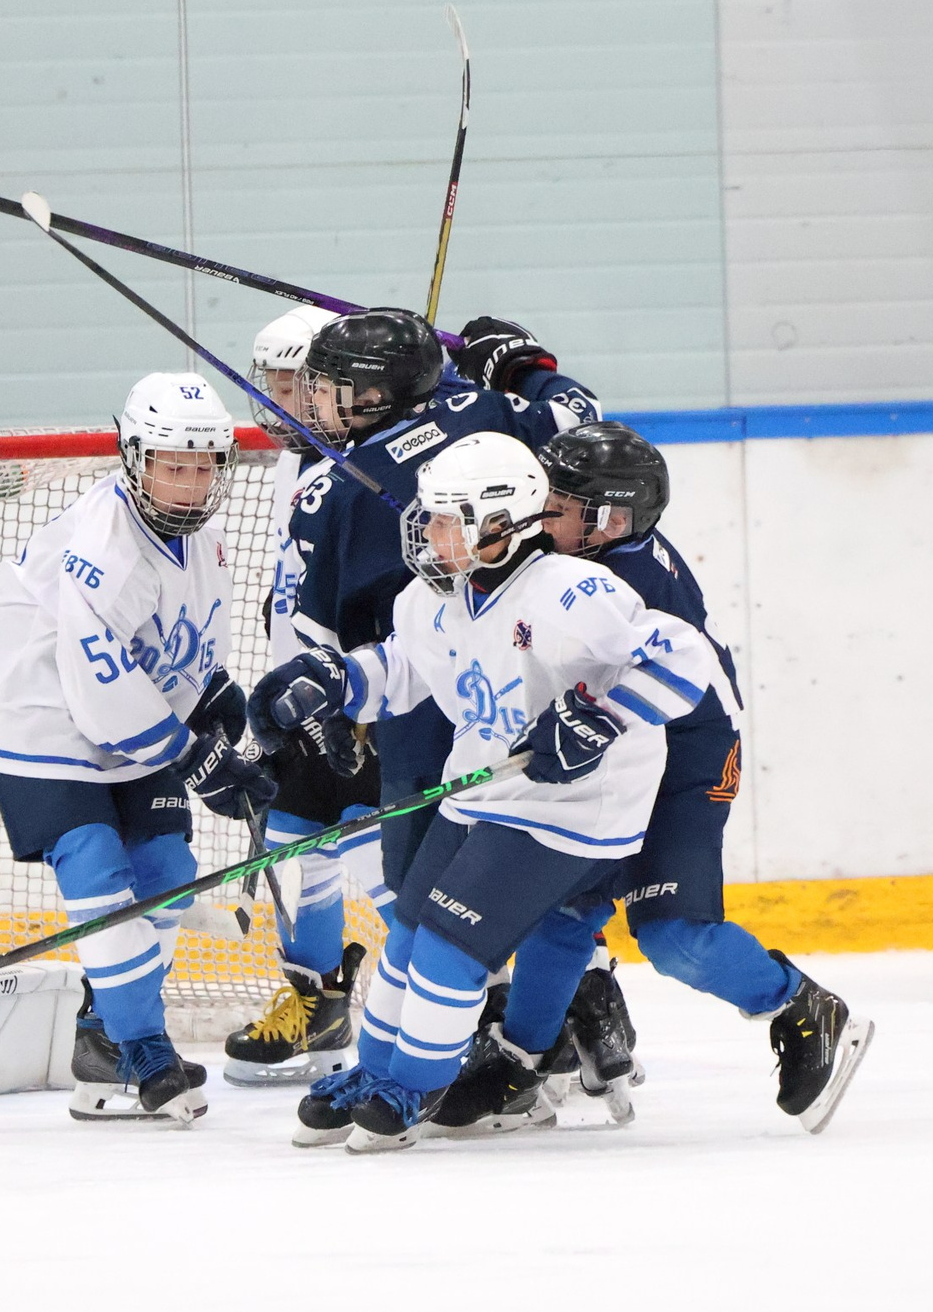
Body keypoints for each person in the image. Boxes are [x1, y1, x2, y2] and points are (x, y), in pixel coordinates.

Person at [250, 431, 723, 1153]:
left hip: (570, 811)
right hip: (479, 791)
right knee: (406, 938)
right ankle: (375, 1069)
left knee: (447, 947)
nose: (426, 532)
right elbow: (404, 666)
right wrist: (336, 680)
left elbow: (685, 657)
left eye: (444, 518)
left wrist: (600, 716)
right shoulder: (434, 595)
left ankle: (415, 1083)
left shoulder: (573, 591)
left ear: (498, 523)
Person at [426, 422, 871, 1138]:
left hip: (688, 756)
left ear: (613, 520)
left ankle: (799, 1005)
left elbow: (674, 676)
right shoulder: (565, 558)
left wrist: (595, 719)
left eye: (563, 506)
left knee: (672, 934)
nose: (545, 515)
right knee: (564, 905)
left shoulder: (620, 577)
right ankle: (520, 1055)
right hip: (623, 753)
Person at [0, 370, 274, 1124]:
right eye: (174, 464)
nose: (190, 484)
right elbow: (98, 687)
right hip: (37, 712)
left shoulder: (201, 537)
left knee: (166, 866)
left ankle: (102, 1036)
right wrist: (192, 751)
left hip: (127, 713)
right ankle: (144, 1046)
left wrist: (213, 695)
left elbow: (183, 641)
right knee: (98, 860)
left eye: (204, 466)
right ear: (134, 458)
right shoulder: (107, 546)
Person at [283, 309, 598, 911]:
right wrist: (521, 364)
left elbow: (319, 632)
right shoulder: (482, 412)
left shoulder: (330, 490)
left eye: (329, 389)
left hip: (418, 692)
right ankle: (582, 987)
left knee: (422, 891)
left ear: (375, 396)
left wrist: (334, 713)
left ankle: (474, 997)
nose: (315, 401)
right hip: (523, 662)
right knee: (549, 862)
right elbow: (578, 412)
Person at [219, 307, 382, 1086]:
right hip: (300, 699)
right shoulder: (298, 462)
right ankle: (316, 1000)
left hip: (365, 706)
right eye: (273, 385)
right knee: (290, 837)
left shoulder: (376, 469)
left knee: (379, 857)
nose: (282, 403)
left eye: (297, 386)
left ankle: (488, 1004)